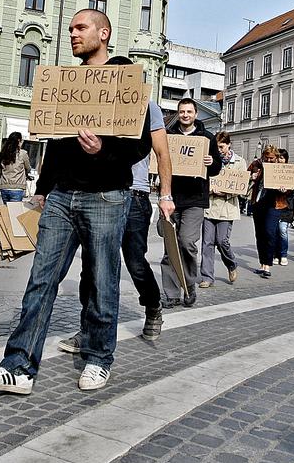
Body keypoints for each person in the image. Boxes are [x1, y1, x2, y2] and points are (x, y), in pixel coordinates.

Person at [0, 9, 152, 395]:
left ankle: (97, 357)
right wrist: (42, 188)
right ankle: (19, 366)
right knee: (42, 278)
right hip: (60, 196)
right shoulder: (65, 81)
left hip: (108, 195)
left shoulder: (126, 76)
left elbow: (140, 144)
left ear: (104, 33)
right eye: (70, 28)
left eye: (80, 28)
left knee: (101, 279)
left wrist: (102, 151)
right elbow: (55, 142)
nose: (72, 34)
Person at [57, 61, 175, 350]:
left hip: (134, 195)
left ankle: (152, 305)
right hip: (101, 194)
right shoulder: (96, 102)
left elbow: (162, 152)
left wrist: (166, 195)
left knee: (135, 262)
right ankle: (88, 330)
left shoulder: (149, 107)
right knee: (92, 265)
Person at [160, 98, 222, 305]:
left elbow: (216, 169)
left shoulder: (207, 138)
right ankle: (171, 293)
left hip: (195, 199)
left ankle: (189, 284)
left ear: (196, 114)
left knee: (186, 242)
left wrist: (212, 163)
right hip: (171, 196)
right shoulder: (168, 137)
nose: (185, 115)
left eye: (189, 111)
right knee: (170, 247)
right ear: (178, 114)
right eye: (182, 111)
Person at [199, 131, 245, 288]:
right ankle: (207, 277)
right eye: (216, 146)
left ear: (229, 145)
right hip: (210, 206)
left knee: (222, 241)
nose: (218, 150)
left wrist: (226, 191)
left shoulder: (239, 162)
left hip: (227, 207)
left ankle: (231, 263)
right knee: (207, 243)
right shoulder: (209, 160)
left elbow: (242, 187)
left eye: (221, 146)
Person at [248, 145, 281, 277]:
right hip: (258, 202)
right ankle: (262, 263)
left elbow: (292, 186)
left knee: (269, 232)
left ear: (276, 158)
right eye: (266, 157)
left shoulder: (281, 168)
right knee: (260, 234)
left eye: (271, 158)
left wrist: (285, 189)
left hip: (274, 204)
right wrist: (252, 177)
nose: (268, 160)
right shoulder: (256, 164)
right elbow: (243, 177)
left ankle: (268, 265)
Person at [271, 148, 294, 266]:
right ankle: (275, 254)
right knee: (274, 231)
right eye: (278, 157)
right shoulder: (272, 170)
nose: (280, 160)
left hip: (286, 206)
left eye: (282, 157)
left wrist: (286, 190)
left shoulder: (290, 171)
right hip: (274, 205)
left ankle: (283, 254)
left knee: (282, 230)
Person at [0, 131, 32, 202]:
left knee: (6, 211)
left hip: (4, 186)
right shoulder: (23, 153)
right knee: (14, 211)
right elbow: (28, 168)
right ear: (19, 141)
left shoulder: (4, 152)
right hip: (17, 187)